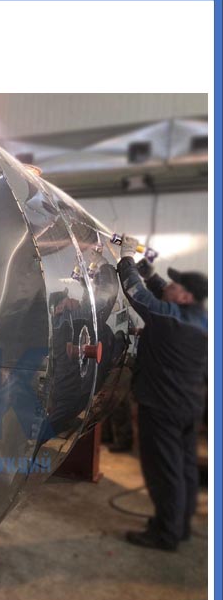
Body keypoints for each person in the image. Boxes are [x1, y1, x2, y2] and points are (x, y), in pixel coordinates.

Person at [117, 236, 208, 551]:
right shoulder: (200, 319)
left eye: (174, 285)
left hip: (162, 408)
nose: (168, 285)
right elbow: (161, 297)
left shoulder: (168, 317)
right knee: (183, 469)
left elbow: (137, 294)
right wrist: (151, 274)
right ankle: (179, 527)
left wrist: (127, 259)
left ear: (185, 297)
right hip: (188, 406)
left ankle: (165, 534)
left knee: (164, 472)